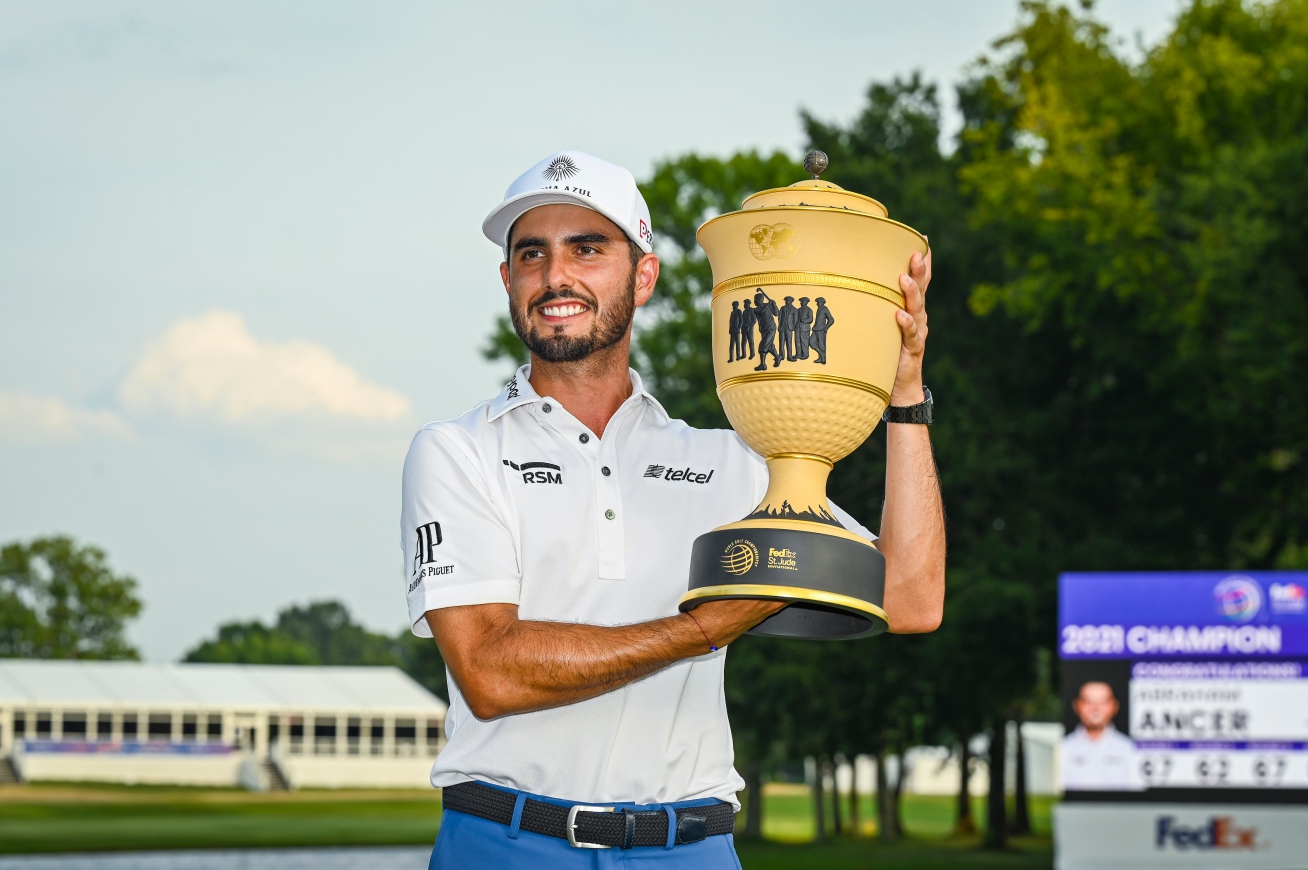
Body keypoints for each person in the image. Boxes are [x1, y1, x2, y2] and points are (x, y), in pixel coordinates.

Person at [401, 150, 946, 867]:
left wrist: (904, 396)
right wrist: (702, 631)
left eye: (588, 249)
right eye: (531, 254)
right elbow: (491, 673)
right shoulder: (455, 451)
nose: (555, 276)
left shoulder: (731, 461)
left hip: (687, 846)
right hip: (506, 843)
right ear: (508, 280)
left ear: (644, 275)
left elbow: (910, 597)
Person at [1061, 682, 1142, 791]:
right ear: (1077, 705)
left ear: (1114, 706)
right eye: (1088, 702)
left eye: (1102, 702)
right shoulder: (1061, 748)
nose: (1095, 708)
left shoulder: (1131, 750)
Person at [752, 289, 781, 371]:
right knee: (769, 345)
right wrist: (769, 304)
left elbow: (777, 313)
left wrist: (774, 305)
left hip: (771, 328)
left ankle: (763, 364)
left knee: (762, 346)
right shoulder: (756, 310)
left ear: (759, 300)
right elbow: (761, 311)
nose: (754, 302)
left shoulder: (767, 306)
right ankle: (777, 357)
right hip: (763, 330)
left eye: (755, 300)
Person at [811, 297, 834, 364]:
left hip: (821, 330)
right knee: (811, 342)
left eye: (818, 302)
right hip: (816, 329)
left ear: (822, 302)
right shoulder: (819, 309)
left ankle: (822, 358)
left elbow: (831, 319)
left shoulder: (824, 308)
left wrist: (826, 328)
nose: (817, 303)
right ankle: (822, 355)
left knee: (821, 345)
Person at [778, 296, 798, 361]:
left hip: (789, 328)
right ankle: (781, 356)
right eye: (786, 300)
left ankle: (789, 356)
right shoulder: (782, 308)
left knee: (789, 342)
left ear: (791, 301)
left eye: (787, 300)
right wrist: (780, 325)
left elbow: (795, 319)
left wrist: (793, 327)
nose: (786, 301)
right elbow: (779, 318)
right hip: (782, 327)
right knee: (781, 342)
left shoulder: (794, 309)